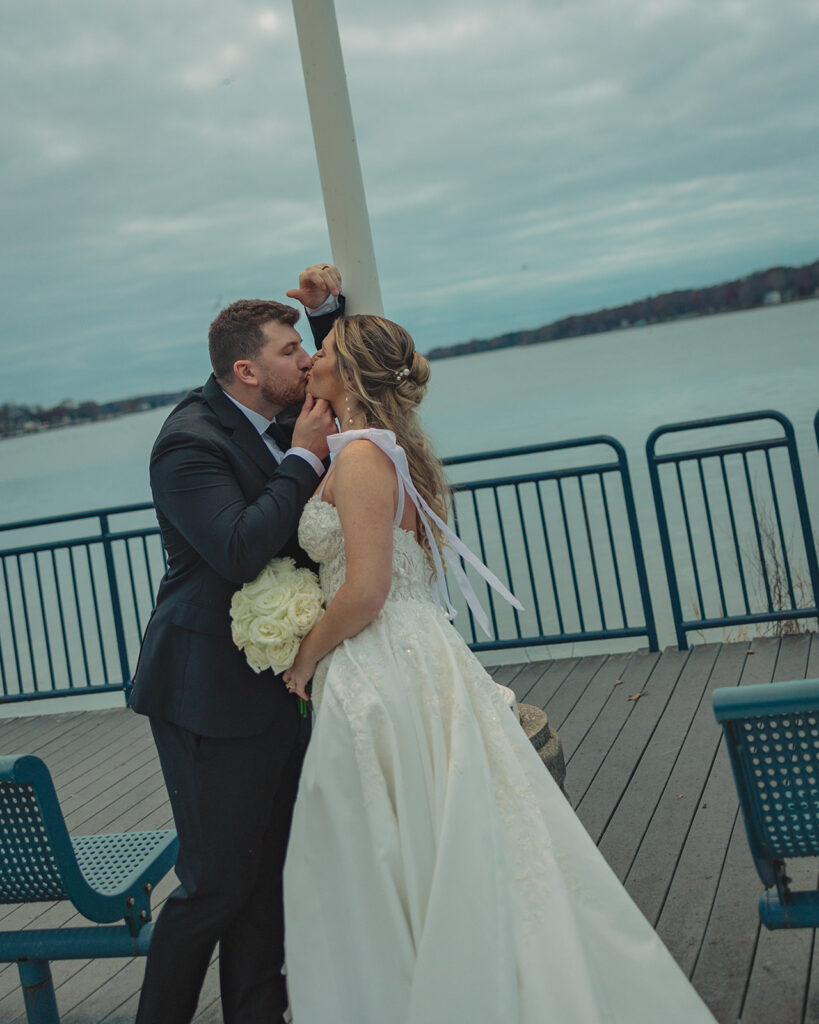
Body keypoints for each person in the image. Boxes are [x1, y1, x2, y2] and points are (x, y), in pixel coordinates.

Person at [281, 315, 718, 1023]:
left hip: (383, 660)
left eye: (323, 352)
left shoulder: (360, 458)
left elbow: (364, 588)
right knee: (434, 823)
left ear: (350, 374)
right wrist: (326, 303)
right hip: (411, 651)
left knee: (406, 832)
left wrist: (303, 656)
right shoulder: (381, 450)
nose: (311, 363)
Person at [128, 263, 344, 1024]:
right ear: (247, 371)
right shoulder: (186, 444)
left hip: (276, 684)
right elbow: (236, 549)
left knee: (269, 878)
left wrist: (328, 314)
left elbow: (347, 378)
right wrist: (304, 460)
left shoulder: (283, 410)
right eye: (292, 351)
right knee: (216, 883)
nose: (307, 363)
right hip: (203, 692)